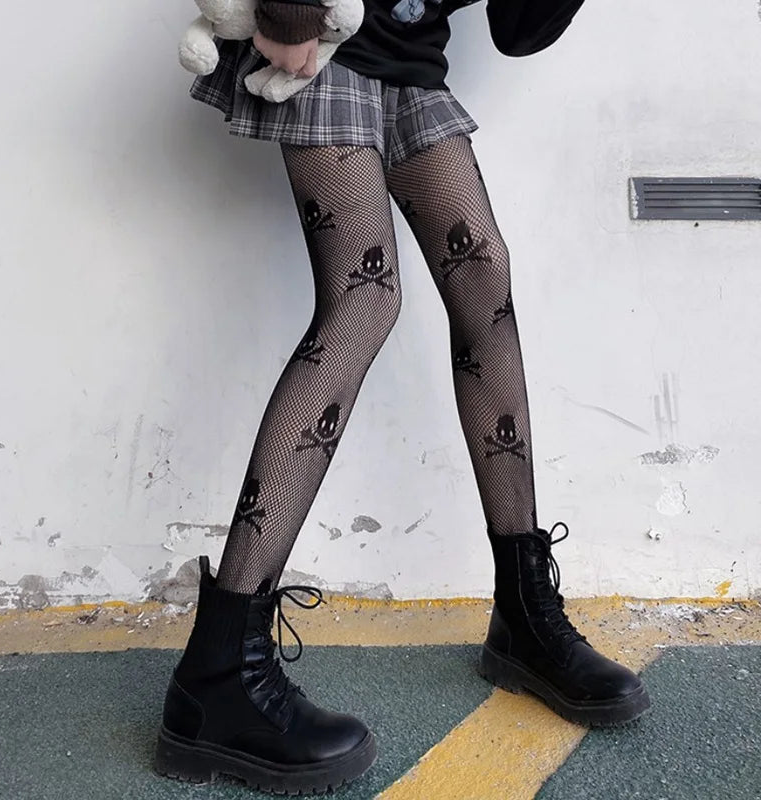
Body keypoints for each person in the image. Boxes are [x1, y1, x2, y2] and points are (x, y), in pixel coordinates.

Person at [153, 0, 650, 793]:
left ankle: (523, 614)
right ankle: (217, 670)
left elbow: (517, 30)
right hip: (331, 39)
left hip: (410, 66)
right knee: (364, 296)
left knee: (484, 280)